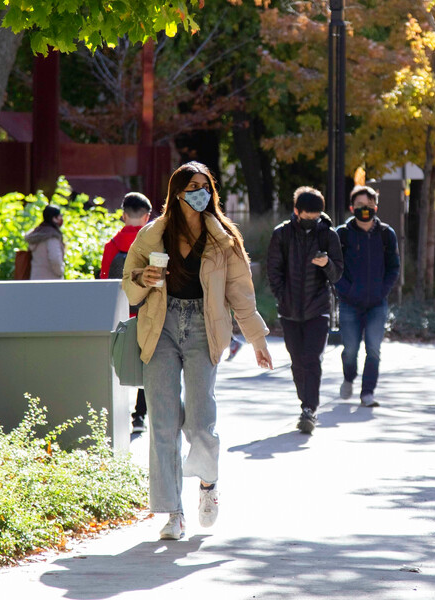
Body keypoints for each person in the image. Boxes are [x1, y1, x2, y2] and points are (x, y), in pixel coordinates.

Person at [122, 161, 274, 541]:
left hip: (204, 329)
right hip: (161, 325)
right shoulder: (153, 234)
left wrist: (256, 338)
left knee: (201, 422)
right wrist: (145, 277)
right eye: (192, 186)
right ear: (177, 191)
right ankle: (173, 513)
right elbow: (129, 283)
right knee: (162, 421)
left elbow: (240, 292)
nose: (200, 192)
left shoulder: (224, 238)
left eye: (205, 186)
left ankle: (208, 482)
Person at [266, 187, 345, 434]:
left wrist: (327, 264)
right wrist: (282, 296)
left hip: (318, 309)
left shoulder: (328, 235)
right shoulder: (282, 234)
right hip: (289, 310)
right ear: (296, 211)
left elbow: (338, 273)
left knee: (312, 359)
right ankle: (306, 403)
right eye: (307, 216)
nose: (312, 221)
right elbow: (273, 271)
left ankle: (308, 409)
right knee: (297, 361)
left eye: (316, 217)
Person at [335, 185, 401, 408]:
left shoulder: (385, 234)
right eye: (360, 206)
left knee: (373, 349)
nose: (365, 210)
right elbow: (334, 270)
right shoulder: (341, 234)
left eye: (369, 206)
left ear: (376, 207)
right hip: (349, 304)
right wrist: (347, 290)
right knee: (350, 350)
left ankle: (367, 393)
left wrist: (382, 290)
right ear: (352, 207)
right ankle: (348, 377)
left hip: (377, 304)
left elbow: (394, 267)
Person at [101, 193, 154, 433]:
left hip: (119, 314)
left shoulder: (111, 246)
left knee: (119, 360)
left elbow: (104, 280)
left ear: (123, 215)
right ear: (147, 217)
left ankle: (113, 412)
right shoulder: (153, 246)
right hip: (148, 312)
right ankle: (140, 415)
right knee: (146, 361)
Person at [25, 205, 65, 280]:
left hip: (35, 279)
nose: (61, 219)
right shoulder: (52, 236)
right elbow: (55, 259)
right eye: (60, 216)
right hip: (51, 281)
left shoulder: (37, 234)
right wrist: (60, 272)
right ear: (54, 218)